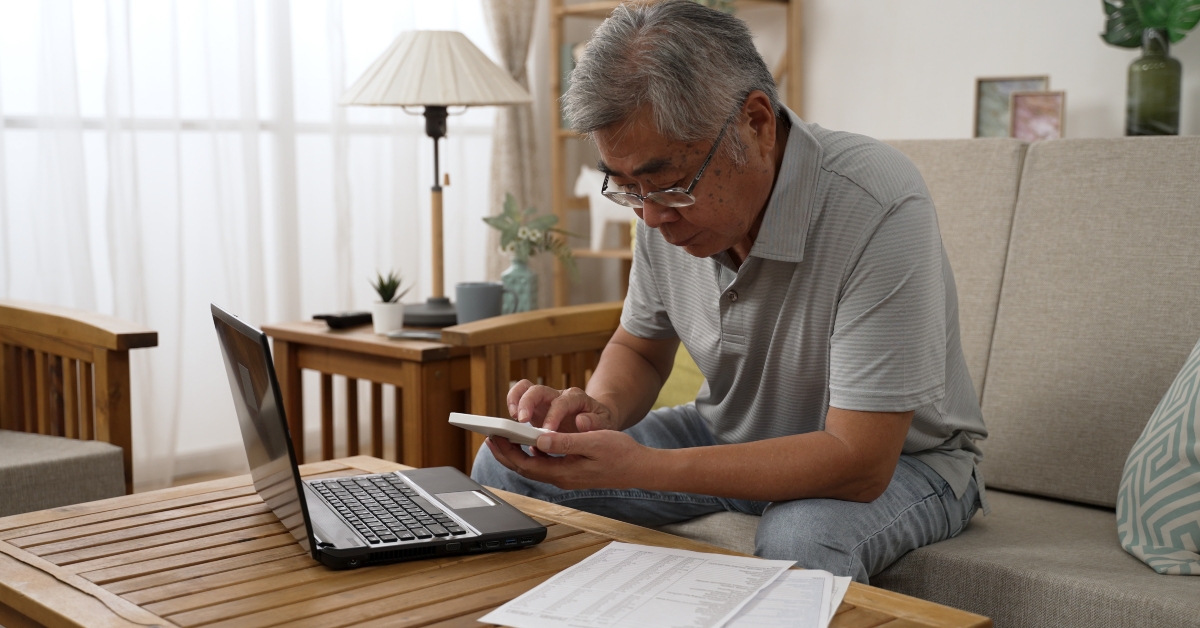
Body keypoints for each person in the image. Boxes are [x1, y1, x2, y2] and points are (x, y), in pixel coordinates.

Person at [471, 0, 988, 584]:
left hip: (908, 464)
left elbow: (860, 461)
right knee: (508, 466)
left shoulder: (877, 204)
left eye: (670, 185)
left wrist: (642, 468)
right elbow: (640, 348)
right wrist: (599, 413)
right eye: (627, 188)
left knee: (800, 538)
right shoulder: (657, 209)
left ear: (757, 124)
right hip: (727, 432)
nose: (650, 216)